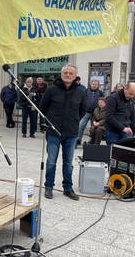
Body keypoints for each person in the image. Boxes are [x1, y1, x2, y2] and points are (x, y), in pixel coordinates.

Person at [39, 64, 86, 201]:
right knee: (51, 162)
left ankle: (67, 188)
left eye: (71, 73)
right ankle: (48, 187)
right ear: (61, 74)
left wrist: (74, 121)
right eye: (65, 72)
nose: (68, 75)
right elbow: (43, 108)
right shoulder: (51, 90)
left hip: (71, 133)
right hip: (54, 132)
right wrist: (46, 125)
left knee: (68, 163)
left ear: (75, 76)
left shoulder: (81, 91)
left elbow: (83, 110)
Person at [77, 79, 104, 145]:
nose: (94, 85)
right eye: (93, 84)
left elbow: (103, 102)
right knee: (80, 125)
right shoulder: (85, 91)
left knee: (93, 128)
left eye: (96, 84)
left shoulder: (100, 93)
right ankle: (78, 140)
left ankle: (91, 142)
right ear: (90, 84)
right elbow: (81, 100)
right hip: (86, 112)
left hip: (95, 114)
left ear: (98, 85)